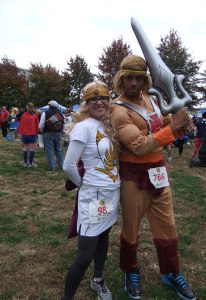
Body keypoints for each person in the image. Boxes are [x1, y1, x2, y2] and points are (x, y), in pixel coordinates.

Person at [112, 54, 196, 300]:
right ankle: (130, 271)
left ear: (145, 80)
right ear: (121, 79)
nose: (134, 83)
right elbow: (138, 144)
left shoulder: (152, 101)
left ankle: (171, 272)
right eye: (129, 78)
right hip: (132, 176)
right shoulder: (117, 110)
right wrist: (173, 127)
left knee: (168, 227)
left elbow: (164, 124)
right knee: (131, 230)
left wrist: (182, 123)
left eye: (139, 78)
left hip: (158, 173)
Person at [62, 81, 120, 300]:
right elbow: (68, 165)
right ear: (86, 104)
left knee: (104, 237)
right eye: (93, 99)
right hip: (94, 196)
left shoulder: (110, 125)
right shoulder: (83, 127)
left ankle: (98, 280)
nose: (99, 102)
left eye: (103, 98)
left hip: (112, 193)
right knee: (85, 255)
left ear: (108, 101)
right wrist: (84, 185)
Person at [39, 100, 64, 171]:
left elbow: (41, 125)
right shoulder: (60, 113)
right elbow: (63, 123)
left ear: (50, 106)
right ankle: (62, 165)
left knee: (49, 150)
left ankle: (52, 167)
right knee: (58, 149)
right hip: (58, 133)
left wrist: (41, 132)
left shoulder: (45, 113)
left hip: (48, 133)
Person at [17, 102, 39, 167]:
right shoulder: (35, 116)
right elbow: (37, 126)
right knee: (32, 149)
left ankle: (25, 162)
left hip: (24, 134)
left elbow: (21, 124)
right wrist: (37, 133)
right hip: (32, 134)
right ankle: (30, 163)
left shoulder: (23, 115)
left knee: (25, 148)